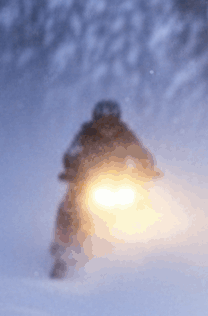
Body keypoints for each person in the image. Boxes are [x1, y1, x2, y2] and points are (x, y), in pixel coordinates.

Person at [51, 99, 159, 277]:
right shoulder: (85, 134)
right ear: (96, 119)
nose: (107, 126)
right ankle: (60, 251)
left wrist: (148, 169)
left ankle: (148, 255)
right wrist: (71, 170)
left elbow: (141, 154)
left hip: (119, 182)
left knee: (144, 206)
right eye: (103, 121)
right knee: (68, 207)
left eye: (111, 121)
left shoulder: (126, 135)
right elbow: (71, 153)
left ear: (118, 120)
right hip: (88, 183)